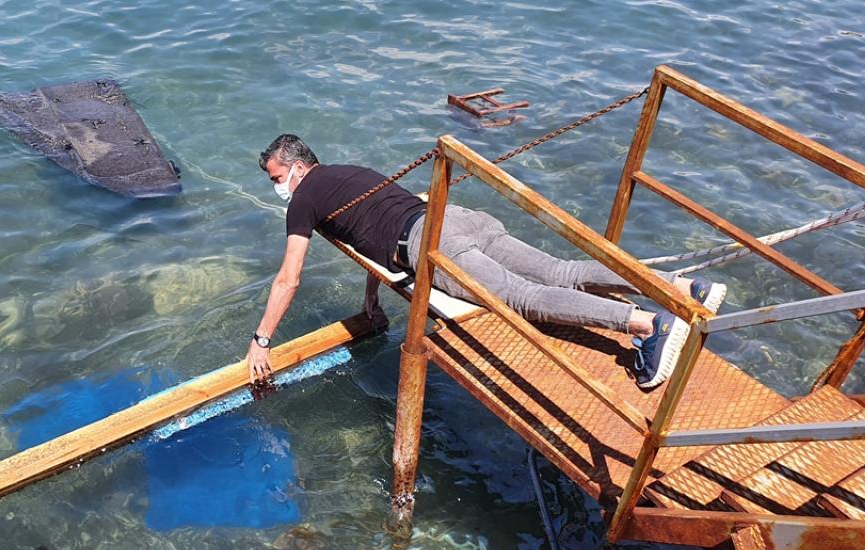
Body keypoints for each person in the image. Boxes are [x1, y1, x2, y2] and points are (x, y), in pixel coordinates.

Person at [245, 134, 726, 390]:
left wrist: (261, 341)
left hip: (433, 242)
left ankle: (646, 325)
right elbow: (368, 233)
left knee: (525, 299)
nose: (278, 186)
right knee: (562, 271)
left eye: (276, 176)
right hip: (455, 216)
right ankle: (681, 288)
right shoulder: (351, 173)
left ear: (298, 167)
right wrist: (372, 300)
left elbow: (289, 278)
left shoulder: (303, 198)